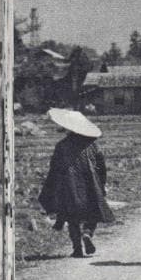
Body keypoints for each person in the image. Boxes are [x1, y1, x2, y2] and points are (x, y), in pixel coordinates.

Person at [38, 109, 114, 258]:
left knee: (72, 217)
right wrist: (102, 185)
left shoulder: (61, 146)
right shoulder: (92, 145)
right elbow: (102, 167)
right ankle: (87, 233)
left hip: (69, 186)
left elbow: (54, 168)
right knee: (93, 212)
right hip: (90, 185)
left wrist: (52, 189)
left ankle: (77, 249)